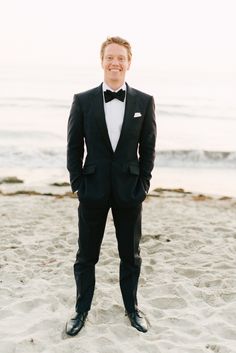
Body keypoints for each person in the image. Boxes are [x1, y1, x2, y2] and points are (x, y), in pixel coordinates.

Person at [66, 36, 156, 336]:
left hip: (129, 192)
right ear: (102, 61)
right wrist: (77, 182)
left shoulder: (145, 101)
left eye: (121, 58)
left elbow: (149, 149)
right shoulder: (83, 100)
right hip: (92, 189)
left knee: (130, 255)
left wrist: (143, 185)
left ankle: (132, 308)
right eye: (110, 57)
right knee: (86, 256)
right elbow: (73, 145)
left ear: (129, 63)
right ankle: (81, 311)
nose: (115, 62)